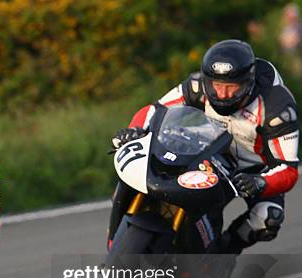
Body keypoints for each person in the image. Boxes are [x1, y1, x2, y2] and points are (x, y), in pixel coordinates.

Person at [110, 40, 298, 263]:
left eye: (231, 87)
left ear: (248, 82)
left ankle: (222, 256)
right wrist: (134, 130)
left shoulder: (277, 107)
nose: (222, 93)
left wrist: (260, 183)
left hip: (253, 168)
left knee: (267, 218)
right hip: (208, 147)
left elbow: (288, 168)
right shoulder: (197, 84)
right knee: (150, 166)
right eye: (216, 85)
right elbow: (156, 109)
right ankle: (114, 243)